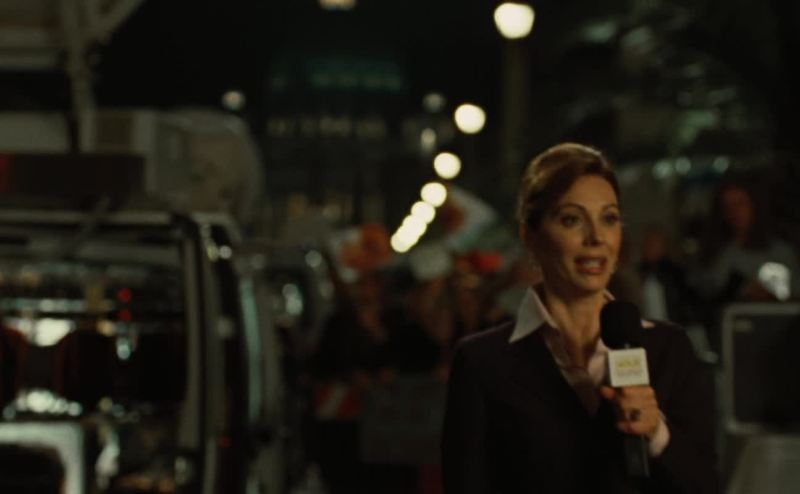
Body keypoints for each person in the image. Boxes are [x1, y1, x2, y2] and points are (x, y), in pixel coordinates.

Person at [441, 143, 719, 493]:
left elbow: (706, 485)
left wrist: (656, 432)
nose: (596, 238)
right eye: (572, 219)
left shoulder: (669, 349)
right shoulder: (482, 362)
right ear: (531, 236)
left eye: (609, 218)